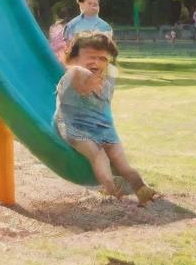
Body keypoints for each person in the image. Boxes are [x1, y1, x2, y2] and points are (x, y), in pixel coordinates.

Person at [54, 33, 157, 205]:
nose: (97, 62)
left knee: (123, 164)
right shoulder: (72, 74)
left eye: (102, 58)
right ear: (74, 60)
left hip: (104, 129)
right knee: (97, 154)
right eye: (91, 57)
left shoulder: (107, 80)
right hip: (77, 127)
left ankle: (141, 189)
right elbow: (77, 73)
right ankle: (110, 188)